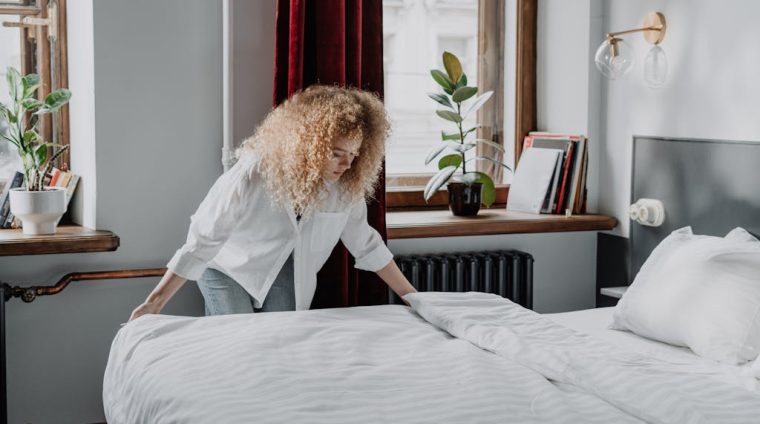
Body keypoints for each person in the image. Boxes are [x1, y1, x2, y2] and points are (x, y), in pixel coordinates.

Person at [128, 85, 417, 320]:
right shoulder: (256, 171)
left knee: (278, 342)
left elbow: (366, 243)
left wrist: (414, 299)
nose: (346, 164)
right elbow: (203, 238)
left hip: (284, 270)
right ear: (309, 144)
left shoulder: (345, 186)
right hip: (228, 267)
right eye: (337, 153)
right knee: (238, 343)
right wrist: (154, 303)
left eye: (354, 155)